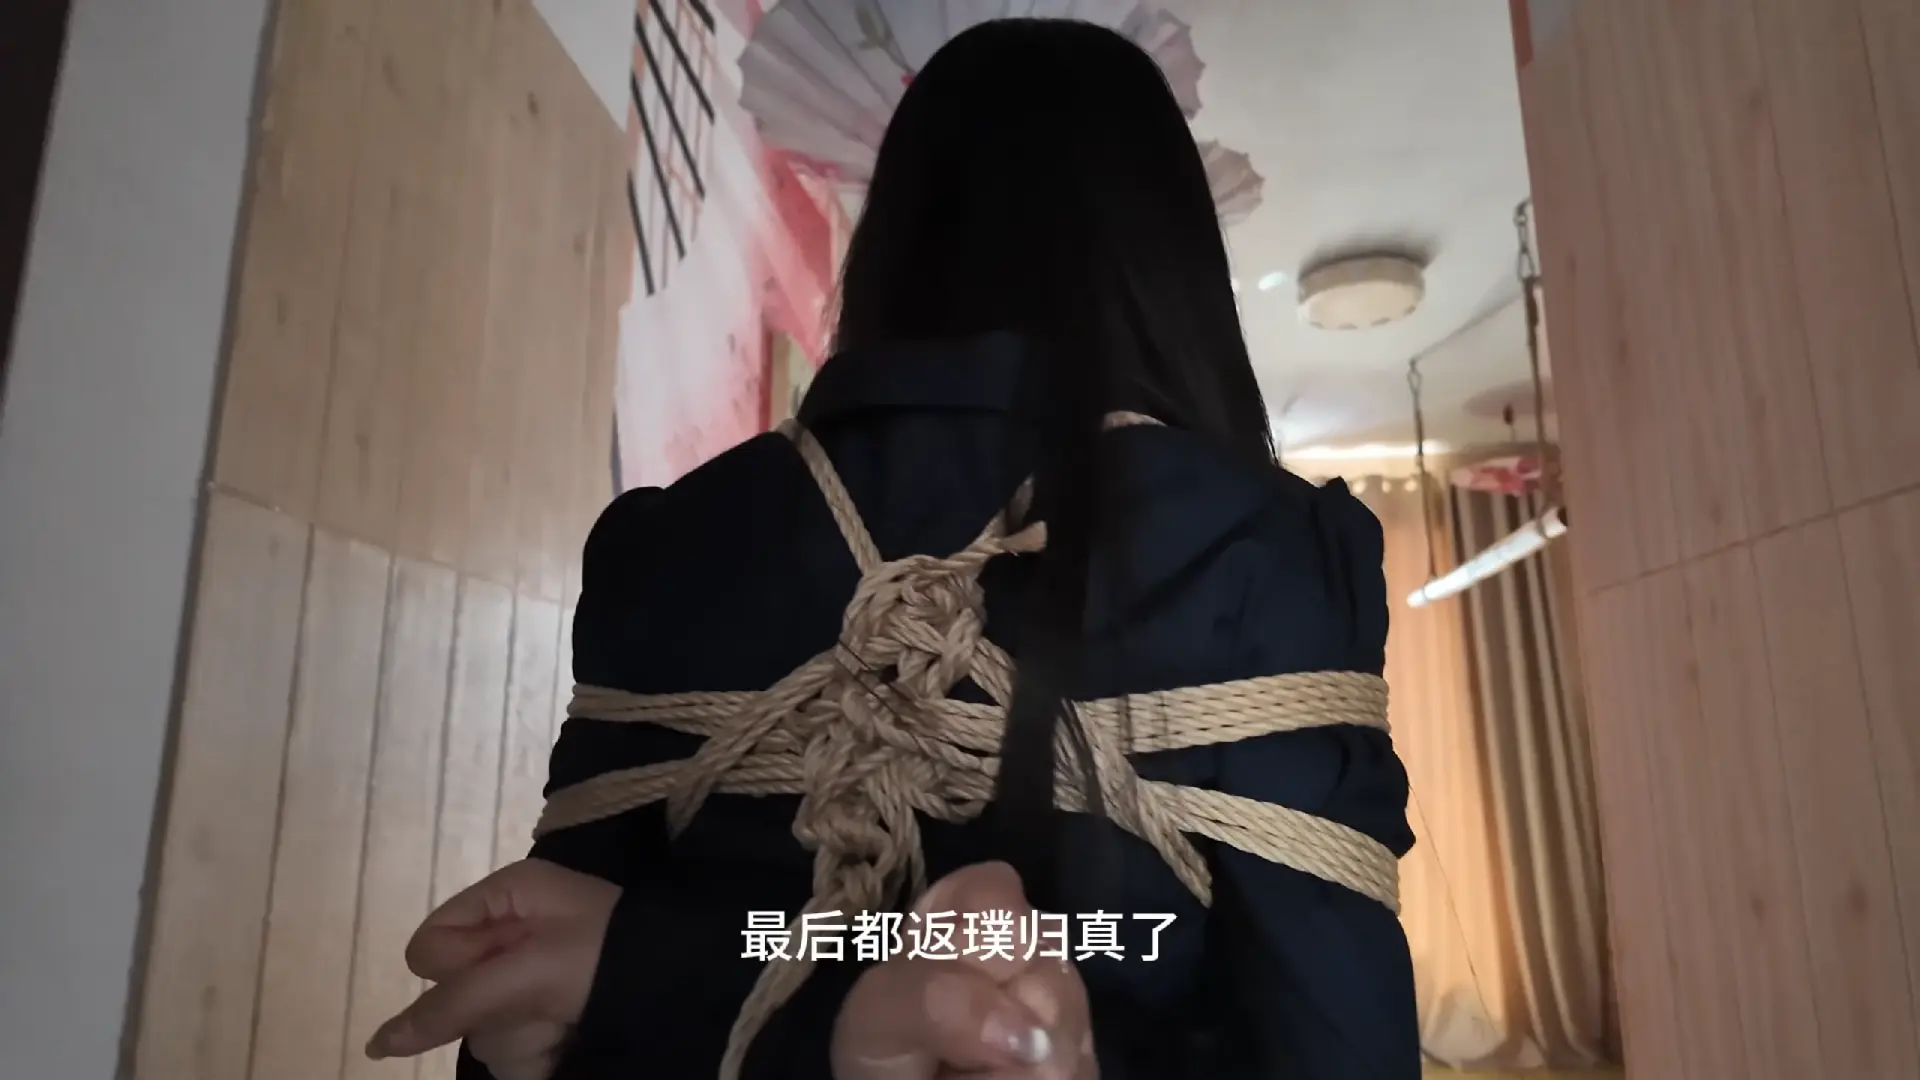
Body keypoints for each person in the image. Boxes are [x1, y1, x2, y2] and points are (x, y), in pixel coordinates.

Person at [364, 16, 1418, 1080]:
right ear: (1171, 264)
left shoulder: (673, 548)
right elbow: (1339, 1046)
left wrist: (688, 981)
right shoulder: (1263, 559)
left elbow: (533, 1012)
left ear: (896, 232)